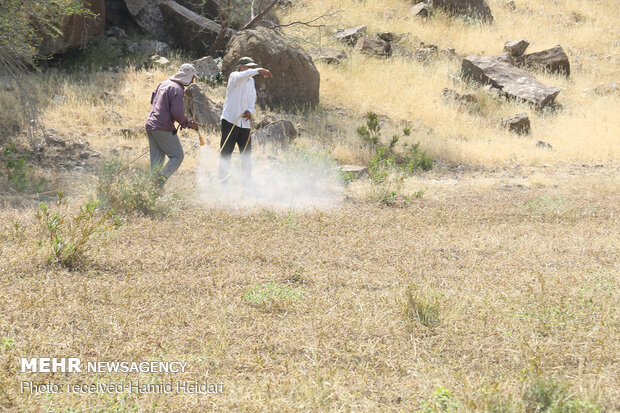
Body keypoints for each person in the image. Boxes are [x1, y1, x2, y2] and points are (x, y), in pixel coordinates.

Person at [219, 56, 272, 183]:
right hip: (230, 121)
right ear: (241, 67)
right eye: (249, 67)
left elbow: (252, 100)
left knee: (246, 155)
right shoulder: (234, 76)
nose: (251, 69)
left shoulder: (251, 82)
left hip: (245, 124)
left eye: (252, 67)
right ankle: (222, 183)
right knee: (226, 153)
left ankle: (247, 184)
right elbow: (243, 75)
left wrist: (250, 111)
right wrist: (259, 70)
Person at [145, 63, 199, 185]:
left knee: (157, 161)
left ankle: (151, 190)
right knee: (177, 156)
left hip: (150, 125)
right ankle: (159, 182)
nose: (192, 81)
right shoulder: (177, 89)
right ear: (187, 76)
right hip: (162, 127)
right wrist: (189, 124)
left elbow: (152, 100)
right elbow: (177, 113)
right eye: (192, 78)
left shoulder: (163, 84)